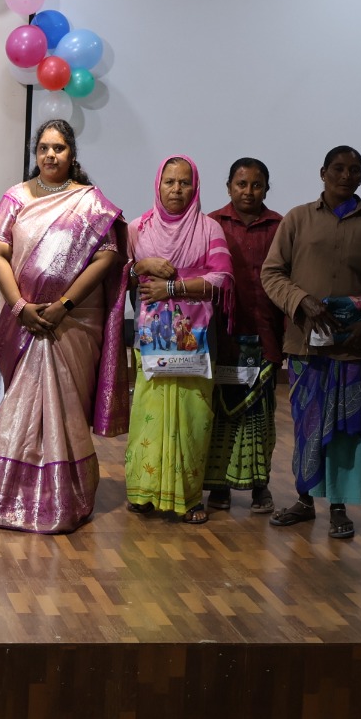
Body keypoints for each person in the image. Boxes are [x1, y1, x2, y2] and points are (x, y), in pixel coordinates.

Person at [0, 120, 127, 533]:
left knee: (66, 412)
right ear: (36, 152)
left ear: (72, 154)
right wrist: (20, 306)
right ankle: (8, 501)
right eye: (43, 147)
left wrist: (64, 305)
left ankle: (65, 502)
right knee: (18, 411)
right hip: (24, 323)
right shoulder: (16, 197)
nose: (50, 154)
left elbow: (107, 256)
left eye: (58, 148)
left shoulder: (90, 201)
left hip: (73, 323)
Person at [262, 145, 361, 540]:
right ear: (323, 172)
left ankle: (340, 507)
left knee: (346, 430)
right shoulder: (297, 219)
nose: (346, 176)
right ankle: (304, 500)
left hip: (356, 348)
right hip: (306, 346)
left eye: (354, 169)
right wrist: (302, 301)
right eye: (338, 168)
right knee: (308, 425)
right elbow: (272, 273)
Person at [122, 156, 233, 524]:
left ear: (195, 187)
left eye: (184, 182)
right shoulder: (138, 228)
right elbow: (119, 275)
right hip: (151, 340)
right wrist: (141, 266)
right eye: (169, 182)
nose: (176, 189)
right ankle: (143, 492)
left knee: (193, 416)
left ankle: (188, 497)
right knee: (148, 413)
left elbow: (222, 279)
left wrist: (173, 288)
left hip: (196, 342)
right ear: (158, 185)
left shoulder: (209, 229)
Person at [205, 158, 285, 514]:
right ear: (229, 187)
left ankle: (259, 487)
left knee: (260, 420)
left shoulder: (280, 227)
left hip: (265, 336)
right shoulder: (211, 225)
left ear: (266, 188)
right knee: (220, 416)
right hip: (221, 335)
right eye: (241, 184)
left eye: (256, 184)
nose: (248, 191)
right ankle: (218, 487)